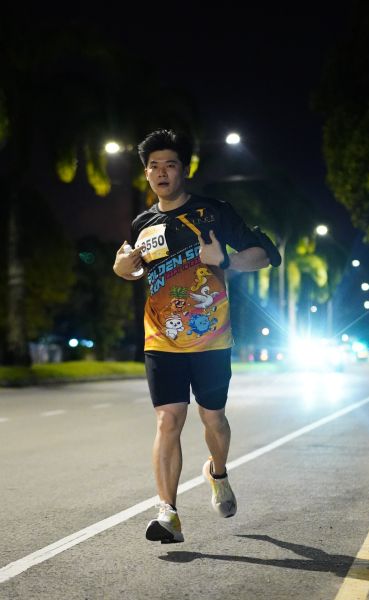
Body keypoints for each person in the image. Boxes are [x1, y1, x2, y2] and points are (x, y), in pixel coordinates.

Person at [113, 129, 280, 544]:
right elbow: (137, 269)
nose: (161, 172)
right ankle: (167, 513)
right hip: (161, 338)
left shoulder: (214, 212)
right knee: (168, 419)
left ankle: (217, 472)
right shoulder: (142, 224)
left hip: (211, 339)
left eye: (169, 165)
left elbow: (265, 254)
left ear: (184, 170)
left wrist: (227, 260)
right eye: (153, 166)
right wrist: (124, 270)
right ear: (146, 174)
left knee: (213, 418)